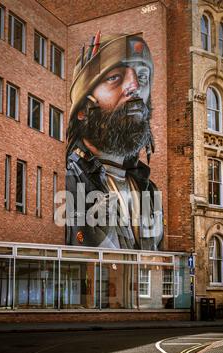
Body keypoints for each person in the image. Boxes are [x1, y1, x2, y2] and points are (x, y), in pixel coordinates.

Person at [65, 32, 163, 250]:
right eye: (114, 77)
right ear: (83, 109)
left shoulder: (148, 189)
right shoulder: (69, 179)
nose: (134, 86)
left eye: (143, 77)